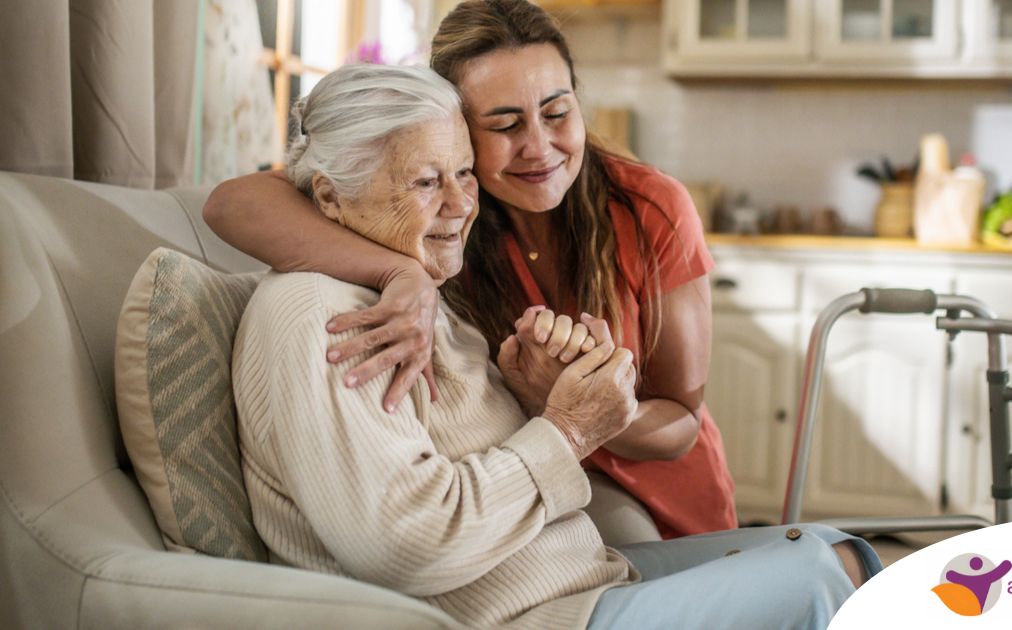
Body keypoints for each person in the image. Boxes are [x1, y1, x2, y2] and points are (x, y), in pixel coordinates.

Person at [234, 62, 880, 629]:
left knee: (838, 548)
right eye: (426, 183)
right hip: (534, 617)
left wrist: (536, 393)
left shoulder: (410, 289)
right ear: (328, 194)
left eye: (463, 173)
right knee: (825, 579)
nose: (463, 204)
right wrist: (567, 430)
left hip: (579, 581)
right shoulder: (324, 317)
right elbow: (407, 542)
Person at [205, 0, 734, 541]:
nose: (539, 147)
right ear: (456, 127)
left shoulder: (649, 207)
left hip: (666, 499)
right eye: (504, 124)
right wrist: (399, 273)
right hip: (534, 493)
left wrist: (586, 407)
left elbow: (682, 425)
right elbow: (231, 204)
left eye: (557, 113)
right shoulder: (446, 218)